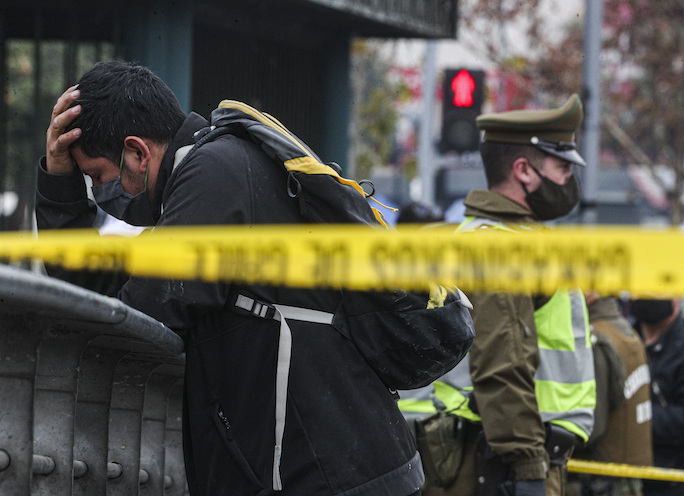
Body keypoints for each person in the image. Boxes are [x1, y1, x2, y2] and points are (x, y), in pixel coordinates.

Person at [35, 61, 474, 496]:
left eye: (96, 176)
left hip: (328, 475)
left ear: (136, 152)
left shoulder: (214, 174)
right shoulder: (216, 172)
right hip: (335, 468)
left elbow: (135, 313)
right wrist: (60, 184)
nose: (103, 190)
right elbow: (106, 286)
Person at [412, 94, 596, 496]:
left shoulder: (492, 238)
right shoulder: (504, 249)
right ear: (524, 171)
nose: (570, 180)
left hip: (491, 454)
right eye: (563, 167)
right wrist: (529, 468)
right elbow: (502, 363)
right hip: (502, 462)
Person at [567, 293, 652, 496]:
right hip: (624, 478)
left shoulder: (596, 339)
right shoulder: (625, 331)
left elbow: (590, 428)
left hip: (599, 480)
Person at [629, 298, 684, 496]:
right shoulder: (624, 340)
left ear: (677, 296)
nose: (647, 294)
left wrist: (633, 417)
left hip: (678, 481)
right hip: (627, 478)